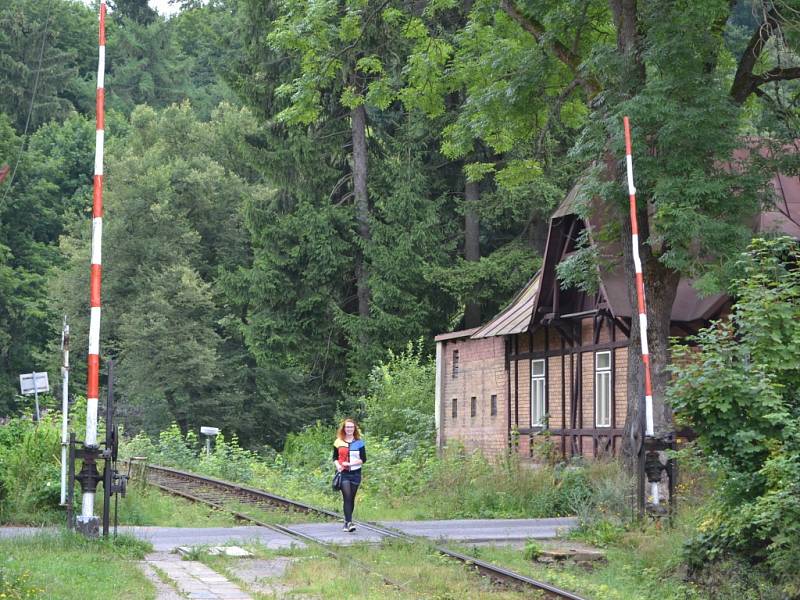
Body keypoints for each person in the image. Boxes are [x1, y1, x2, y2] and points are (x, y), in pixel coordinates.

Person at [333, 418, 366, 532]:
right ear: (344, 428)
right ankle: (350, 522)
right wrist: (338, 465)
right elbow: (335, 457)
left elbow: (363, 459)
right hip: (344, 473)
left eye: (351, 427)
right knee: (346, 497)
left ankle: (346, 522)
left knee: (351, 498)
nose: (349, 429)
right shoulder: (338, 442)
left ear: (354, 428)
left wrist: (351, 463)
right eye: (347, 427)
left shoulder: (359, 442)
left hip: (356, 473)